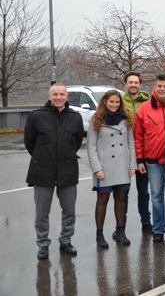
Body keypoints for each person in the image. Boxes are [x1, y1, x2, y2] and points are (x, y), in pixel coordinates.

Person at [24, 83, 84, 260]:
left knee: (69, 211)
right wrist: (43, 157)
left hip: (68, 170)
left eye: (62, 94)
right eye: (55, 94)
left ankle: (66, 241)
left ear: (66, 97)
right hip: (43, 171)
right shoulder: (36, 116)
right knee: (42, 213)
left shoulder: (75, 117)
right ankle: (43, 244)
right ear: (50, 96)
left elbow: (77, 141)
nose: (59, 97)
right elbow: (30, 142)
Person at [87, 90, 137, 249]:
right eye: (111, 102)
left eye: (117, 102)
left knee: (121, 198)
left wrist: (132, 165)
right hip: (104, 167)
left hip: (122, 165)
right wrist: (97, 169)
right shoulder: (96, 120)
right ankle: (99, 234)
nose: (114, 105)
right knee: (102, 200)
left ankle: (120, 231)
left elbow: (131, 144)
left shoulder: (126, 119)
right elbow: (91, 147)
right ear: (105, 102)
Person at [134, 74, 165, 242]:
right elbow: (138, 136)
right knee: (157, 196)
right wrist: (139, 159)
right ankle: (158, 229)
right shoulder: (144, 109)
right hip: (152, 162)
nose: (162, 89)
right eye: (159, 86)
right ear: (155, 87)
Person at [122, 71, 152, 234]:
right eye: (130, 82)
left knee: (143, 191)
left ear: (139, 85)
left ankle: (146, 222)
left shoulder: (148, 102)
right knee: (123, 192)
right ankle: (121, 225)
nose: (133, 85)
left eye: (136, 82)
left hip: (143, 151)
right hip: (124, 152)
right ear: (125, 84)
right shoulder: (119, 102)